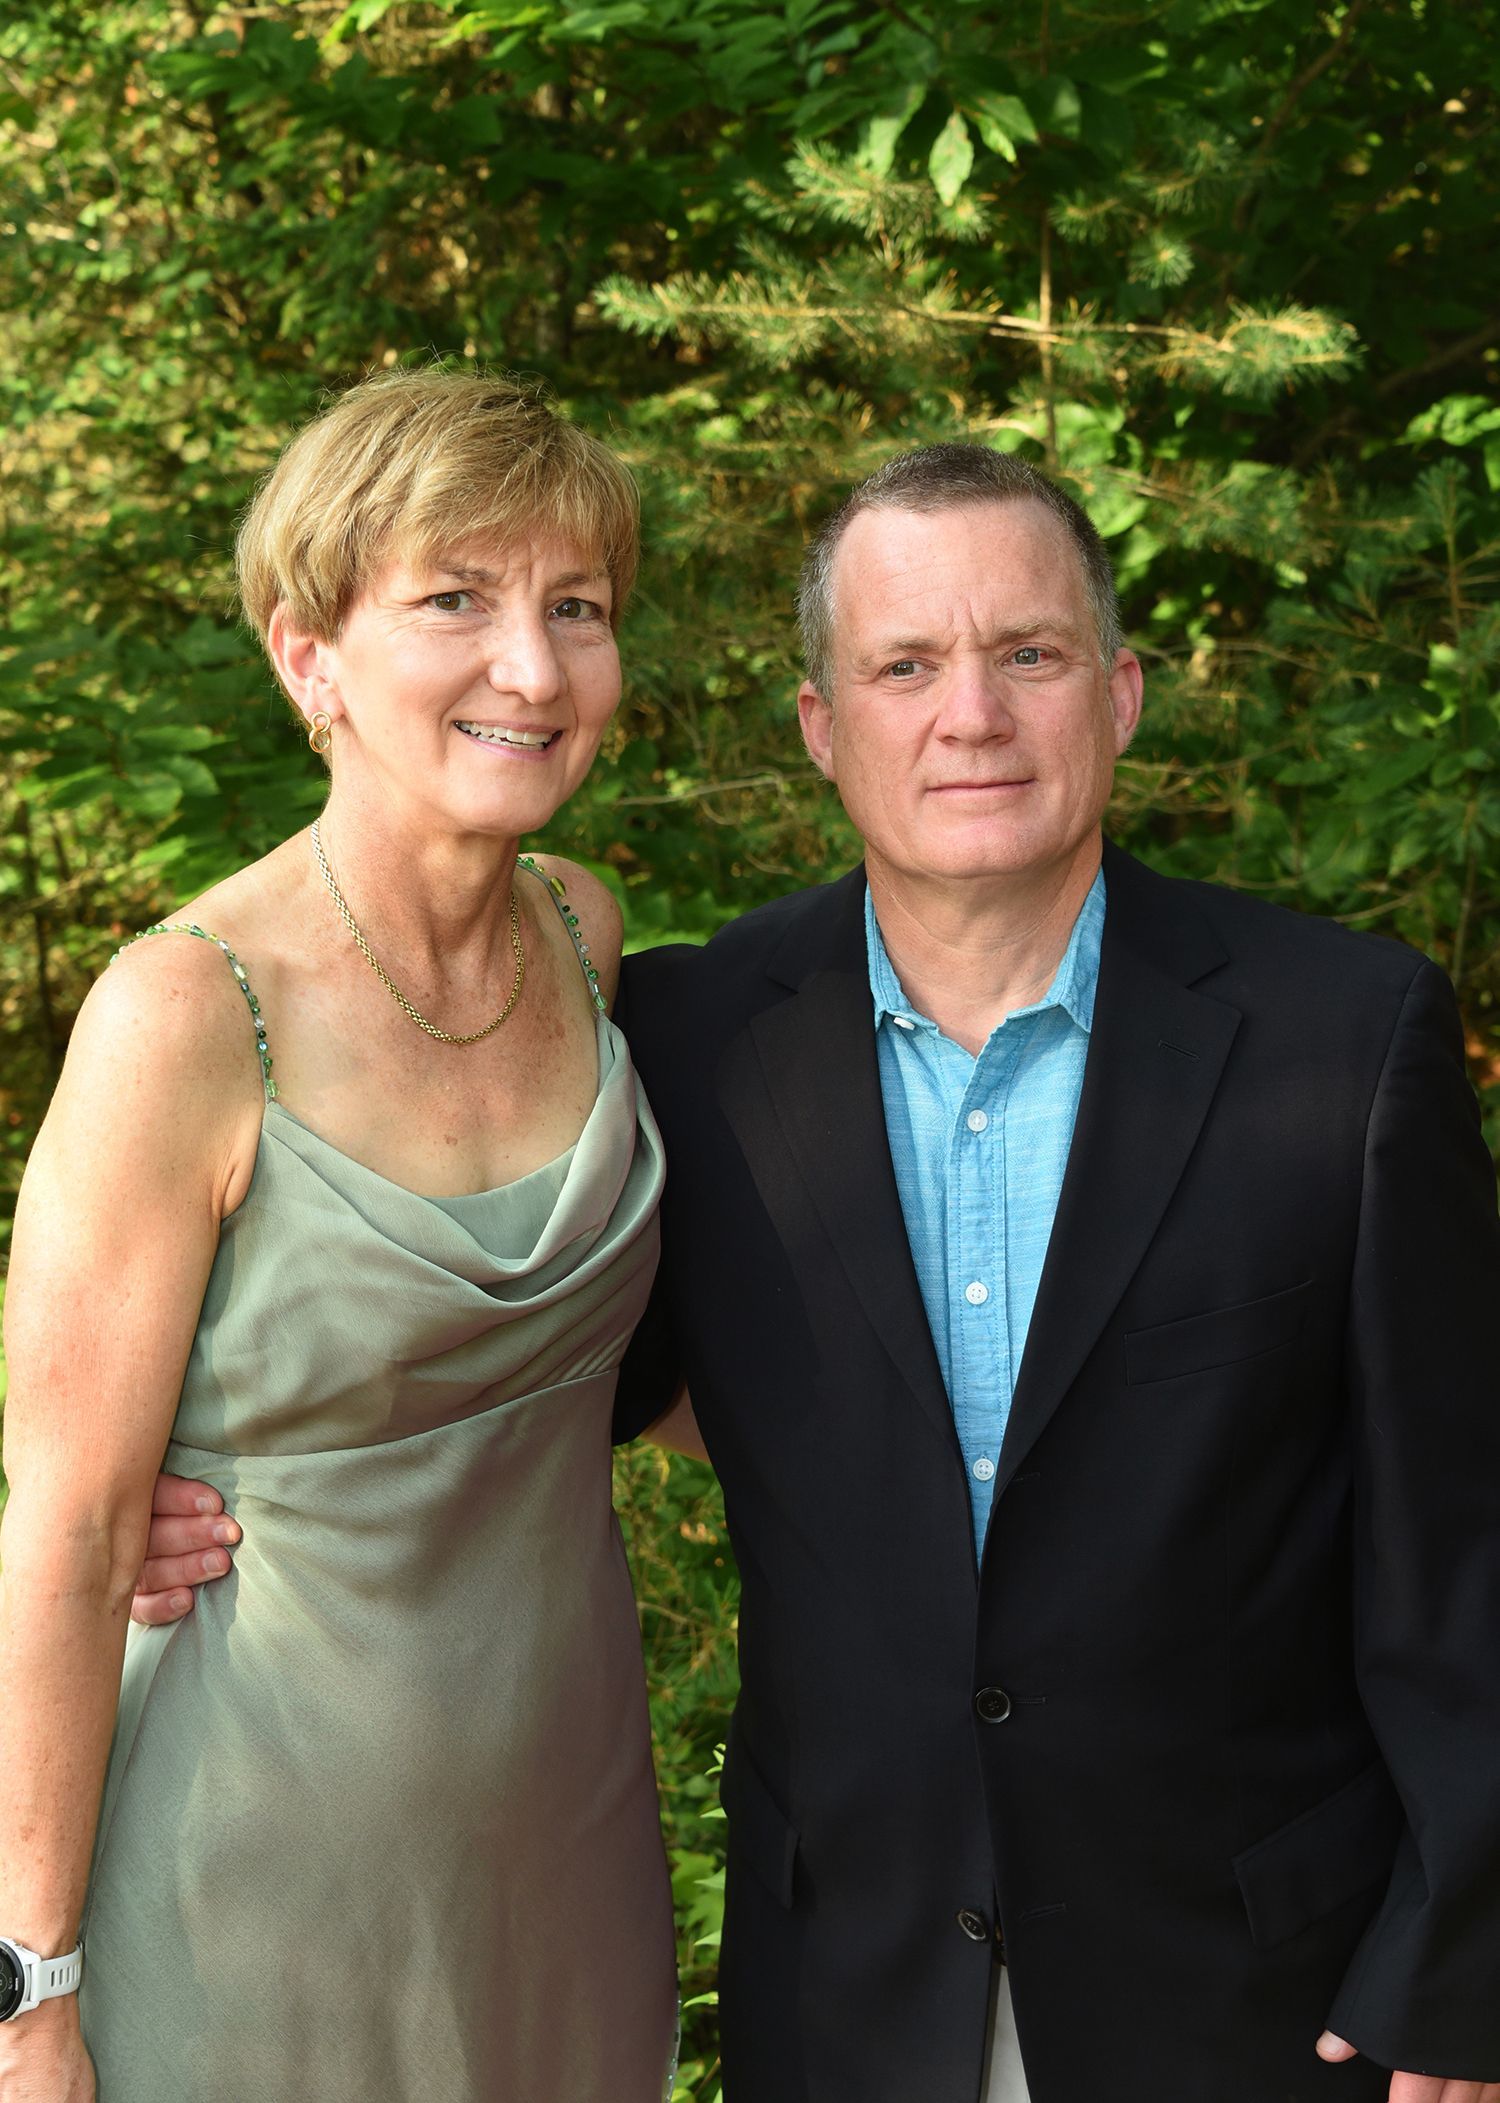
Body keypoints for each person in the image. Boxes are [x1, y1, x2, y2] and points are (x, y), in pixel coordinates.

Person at [139, 445, 1500, 2103]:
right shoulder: (697, 1046)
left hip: (1263, 1994)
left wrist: (1463, 1953)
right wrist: (220, 1480)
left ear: (1123, 694)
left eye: (1030, 655)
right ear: (819, 725)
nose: (971, 716)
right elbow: (534, 1379)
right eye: (904, 666)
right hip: (852, 1989)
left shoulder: (1344, 1043)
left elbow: (1464, 1538)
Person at [0, 368, 678, 2102]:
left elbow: (659, 1375)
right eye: (455, 598)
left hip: (564, 1861)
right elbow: (71, 1532)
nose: (531, 667)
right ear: (311, 656)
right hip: (243, 1889)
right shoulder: (183, 1015)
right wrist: (31, 1993)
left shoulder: (583, 937)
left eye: (575, 609)